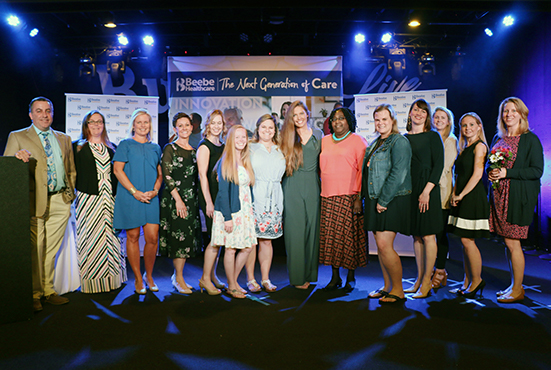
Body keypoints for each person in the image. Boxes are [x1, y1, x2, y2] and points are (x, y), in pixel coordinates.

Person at [4, 96, 76, 312]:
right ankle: (34, 294)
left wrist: (70, 194)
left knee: (51, 250)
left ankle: (48, 290)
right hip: (34, 202)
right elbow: (7, 169)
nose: (44, 115)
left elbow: (70, 168)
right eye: (39, 111)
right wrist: (16, 157)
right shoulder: (17, 136)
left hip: (60, 201)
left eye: (48, 110)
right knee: (36, 249)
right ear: (31, 114)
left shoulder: (64, 138)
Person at [487, 97, 543, 303]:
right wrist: (492, 172)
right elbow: (490, 164)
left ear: (521, 114)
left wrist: (506, 173)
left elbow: (536, 171)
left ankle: (518, 289)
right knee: (508, 243)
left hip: (517, 199)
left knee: (513, 242)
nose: (509, 114)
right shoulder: (497, 138)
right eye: (505, 111)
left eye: (513, 111)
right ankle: (513, 285)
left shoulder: (530, 139)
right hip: (499, 198)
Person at [72, 110, 126, 293]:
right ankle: (93, 283)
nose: (96, 125)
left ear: (104, 125)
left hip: (110, 201)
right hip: (89, 201)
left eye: (99, 121)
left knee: (111, 240)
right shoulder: (77, 147)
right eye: (92, 122)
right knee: (91, 241)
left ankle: (113, 280)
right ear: (86, 125)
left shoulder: (113, 148)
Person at [363, 104, 412, 304]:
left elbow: (399, 174)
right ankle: (387, 287)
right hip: (375, 200)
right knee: (380, 247)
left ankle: (398, 290)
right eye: (377, 119)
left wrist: (383, 200)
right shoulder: (375, 143)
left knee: (384, 245)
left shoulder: (399, 141)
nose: (381, 123)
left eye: (384, 119)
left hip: (390, 200)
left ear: (392, 120)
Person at [113, 108, 162, 295]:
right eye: (139, 122)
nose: (143, 125)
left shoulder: (156, 147)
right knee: (132, 237)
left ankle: (149, 276)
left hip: (151, 198)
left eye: (146, 122)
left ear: (150, 125)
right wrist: (135, 192)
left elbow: (160, 174)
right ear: (133, 125)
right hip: (130, 196)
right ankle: (138, 278)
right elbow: (118, 170)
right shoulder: (125, 144)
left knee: (152, 238)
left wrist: (155, 190)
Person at [319, 107, 367, 292]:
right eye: (334, 119)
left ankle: (351, 276)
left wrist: (358, 197)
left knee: (348, 239)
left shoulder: (358, 141)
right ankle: (334, 276)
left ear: (349, 121)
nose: (337, 121)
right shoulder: (324, 141)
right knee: (332, 239)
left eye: (341, 118)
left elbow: (362, 171)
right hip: (327, 197)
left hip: (349, 197)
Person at [280, 101, 323, 289]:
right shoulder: (286, 136)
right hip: (292, 185)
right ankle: (297, 278)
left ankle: (310, 274)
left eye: (301, 113)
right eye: (294, 115)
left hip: (313, 186)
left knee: (313, 231)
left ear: (307, 114)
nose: (298, 118)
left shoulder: (320, 135)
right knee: (295, 233)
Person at [404, 99, 444, 298]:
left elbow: (438, 166)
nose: (418, 113)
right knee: (417, 236)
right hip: (411, 191)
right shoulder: (403, 138)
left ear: (427, 116)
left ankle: (427, 281)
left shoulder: (433, 136)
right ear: (410, 113)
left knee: (428, 235)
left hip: (427, 190)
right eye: (415, 110)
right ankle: (419, 279)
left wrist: (426, 191)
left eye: (422, 111)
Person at [211, 125, 257, 298]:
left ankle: (233, 281)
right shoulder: (226, 161)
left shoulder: (245, 160)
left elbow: (247, 189)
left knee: (248, 246)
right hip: (231, 212)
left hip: (245, 211)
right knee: (230, 249)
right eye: (237, 137)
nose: (241, 140)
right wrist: (228, 218)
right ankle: (232, 285)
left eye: (243, 137)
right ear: (230, 140)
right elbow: (222, 193)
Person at [448, 113, 490, 298]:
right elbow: (459, 175)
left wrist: (462, 195)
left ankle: (477, 280)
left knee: (467, 240)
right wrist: (454, 193)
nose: (468, 128)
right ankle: (467, 281)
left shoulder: (480, 147)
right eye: (464, 125)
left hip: (472, 197)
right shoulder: (464, 148)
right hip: (461, 196)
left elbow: (477, 174)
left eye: (472, 124)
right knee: (464, 242)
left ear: (479, 126)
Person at [160, 113, 202, 294]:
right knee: (178, 240)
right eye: (180, 125)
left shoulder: (195, 151)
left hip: (191, 200)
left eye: (187, 125)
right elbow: (167, 176)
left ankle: (178, 276)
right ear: (175, 128)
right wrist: (178, 200)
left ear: (192, 127)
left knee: (186, 240)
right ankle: (178, 279)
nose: (184, 128)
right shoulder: (170, 148)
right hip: (174, 200)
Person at [244, 114, 286, 293]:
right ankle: (251, 279)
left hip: (275, 197)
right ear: (258, 129)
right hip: (255, 195)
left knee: (267, 241)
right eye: (264, 127)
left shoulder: (281, 149)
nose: (267, 131)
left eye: (271, 127)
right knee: (252, 241)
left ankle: (266, 279)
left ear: (275, 130)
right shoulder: (250, 147)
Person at [198, 109, 226, 295]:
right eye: (213, 122)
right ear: (208, 124)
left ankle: (213, 275)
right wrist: (208, 202)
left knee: (220, 239)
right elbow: (203, 176)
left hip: (221, 196)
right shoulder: (204, 146)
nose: (217, 126)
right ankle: (205, 279)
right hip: (210, 197)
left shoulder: (223, 146)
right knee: (215, 239)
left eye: (220, 123)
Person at [431, 107, 458, 289]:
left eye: (443, 117)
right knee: (429, 234)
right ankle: (432, 270)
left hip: (441, 193)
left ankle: (440, 271)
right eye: (436, 117)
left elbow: (443, 167)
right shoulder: (431, 138)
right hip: (429, 192)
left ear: (449, 121)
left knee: (440, 234)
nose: (439, 120)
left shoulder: (451, 140)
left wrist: (428, 184)